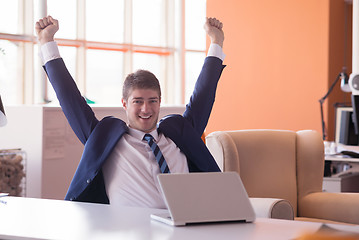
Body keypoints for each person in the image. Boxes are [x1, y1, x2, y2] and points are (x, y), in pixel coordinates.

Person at [35, 16, 226, 207]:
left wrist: (216, 42)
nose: (146, 108)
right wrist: (47, 42)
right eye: (138, 101)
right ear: (124, 104)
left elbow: (204, 95)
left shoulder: (180, 135)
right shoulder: (106, 139)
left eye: (152, 101)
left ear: (160, 102)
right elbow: (71, 100)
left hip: (187, 228)